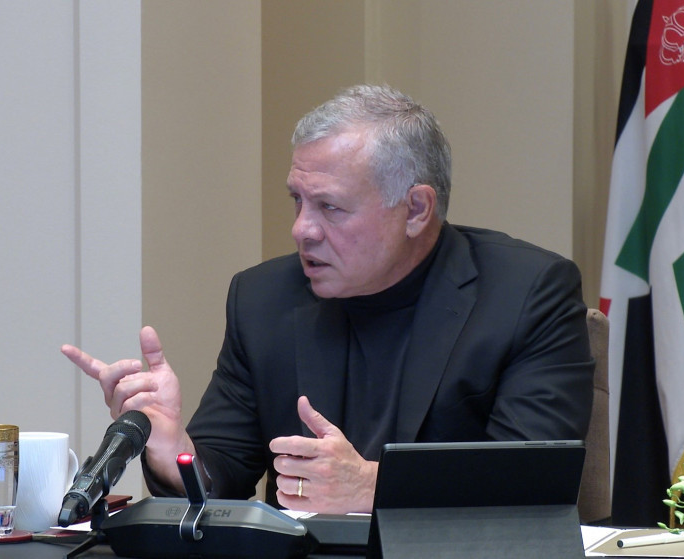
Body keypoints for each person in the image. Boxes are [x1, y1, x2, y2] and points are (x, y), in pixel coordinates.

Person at [62, 84, 593, 515]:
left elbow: (529, 484)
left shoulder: (527, 294)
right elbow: (220, 482)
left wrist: (372, 486)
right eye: (297, 200)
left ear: (416, 209)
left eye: (330, 207)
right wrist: (170, 447)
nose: (302, 229)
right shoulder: (263, 298)